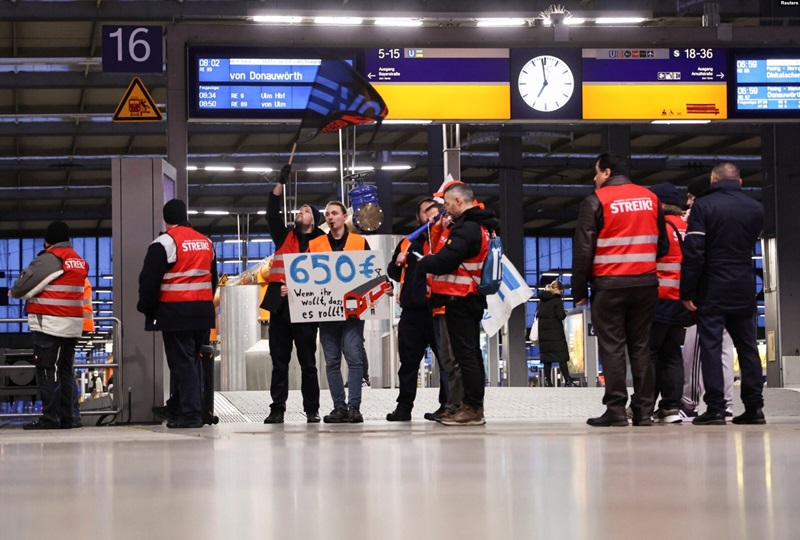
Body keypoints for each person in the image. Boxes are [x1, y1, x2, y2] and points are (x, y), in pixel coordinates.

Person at [572, 153, 669, 427]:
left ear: (607, 172)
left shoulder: (596, 201)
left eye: (596, 172)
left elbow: (582, 252)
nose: (594, 178)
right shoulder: (651, 199)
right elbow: (662, 245)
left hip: (610, 286)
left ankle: (615, 410)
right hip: (646, 284)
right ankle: (644, 412)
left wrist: (579, 289)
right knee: (641, 347)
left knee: (613, 348)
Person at [680, 162, 765, 425]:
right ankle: (754, 408)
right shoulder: (755, 207)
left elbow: (694, 252)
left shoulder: (703, 206)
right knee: (747, 347)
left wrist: (688, 291)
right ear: (739, 181)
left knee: (712, 347)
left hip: (712, 287)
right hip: (744, 285)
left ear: (712, 180)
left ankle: (716, 408)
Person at [417, 181, 499, 426]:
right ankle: (468, 406)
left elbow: (446, 260)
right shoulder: (484, 227)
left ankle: (472, 408)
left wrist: (423, 264)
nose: (446, 209)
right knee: (468, 354)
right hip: (468, 298)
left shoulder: (467, 228)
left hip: (461, 298)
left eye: (448, 203)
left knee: (466, 356)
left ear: (459, 201)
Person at [138, 199, 218, 429]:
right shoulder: (206, 242)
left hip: (177, 312)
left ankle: (191, 414)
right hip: (202, 312)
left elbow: (149, 281)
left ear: (166, 219)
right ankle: (176, 406)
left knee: (182, 364)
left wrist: (148, 308)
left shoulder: (164, 242)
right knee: (191, 361)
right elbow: (212, 279)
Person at [261, 164, 326, 424]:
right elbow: (270, 213)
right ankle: (277, 408)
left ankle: (312, 409)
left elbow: (327, 277)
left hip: (307, 308)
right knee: (279, 362)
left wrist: (299, 289)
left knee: (308, 363)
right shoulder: (283, 235)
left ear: (315, 219)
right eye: (300, 210)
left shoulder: (322, 241)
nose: (301, 212)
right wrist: (280, 183)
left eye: (306, 211)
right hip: (281, 307)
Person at [9, 221, 89, 430]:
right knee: (65, 370)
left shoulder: (51, 259)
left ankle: (50, 419)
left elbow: (19, 288)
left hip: (50, 324)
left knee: (46, 370)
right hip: (72, 324)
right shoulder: (78, 261)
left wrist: (22, 291)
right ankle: (69, 418)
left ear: (48, 241)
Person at [308, 201, 371, 424]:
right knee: (332, 362)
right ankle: (339, 408)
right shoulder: (315, 244)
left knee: (354, 359)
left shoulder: (360, 242)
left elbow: (371, 274)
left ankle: (354, 407)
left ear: (345, 217)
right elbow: (305, 276)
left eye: (334, 213)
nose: (330, 217)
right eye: (327, 214)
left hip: (353, 314)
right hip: (327, 314)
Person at [385, 198, 448, 421]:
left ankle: (446, 406)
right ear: (418, 217)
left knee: (445, 362)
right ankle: (404, 408)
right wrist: (397, 263)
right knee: (408, 364)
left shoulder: (445, 238)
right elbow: (393, 272)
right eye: (426, 211)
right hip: (411, 312)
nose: (432, 214)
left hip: (438, 309)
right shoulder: (407, 242)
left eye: (435, 210)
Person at [679, 177, 735, 420]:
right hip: (732, 290)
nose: (688, 202)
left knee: (695, 348)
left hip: (707, 292)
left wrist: (689, 291)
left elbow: (694, 257)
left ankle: (689, 403)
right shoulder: (729, 215)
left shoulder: (699, 219)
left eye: (692, 197)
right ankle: (727, 404)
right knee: (724, 350)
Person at [648, 183, 693, 423]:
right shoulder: (690, 227)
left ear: (661, 204)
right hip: (682, 302)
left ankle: (644, 406)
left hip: (658, 299)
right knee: (672, 354)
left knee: (650, 354)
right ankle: (671, 408)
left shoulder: (659, 228)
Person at [537, 280, 576, 387]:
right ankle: (568, 380)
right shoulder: (556, 301)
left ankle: (547, 381)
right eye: (561, 291)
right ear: (557, 290)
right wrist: (564, 313)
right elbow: (560, 316)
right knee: (562, 357)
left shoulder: (542, 301)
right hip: (555, 333)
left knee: (547, 358)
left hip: (544, 334)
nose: (561, 293)